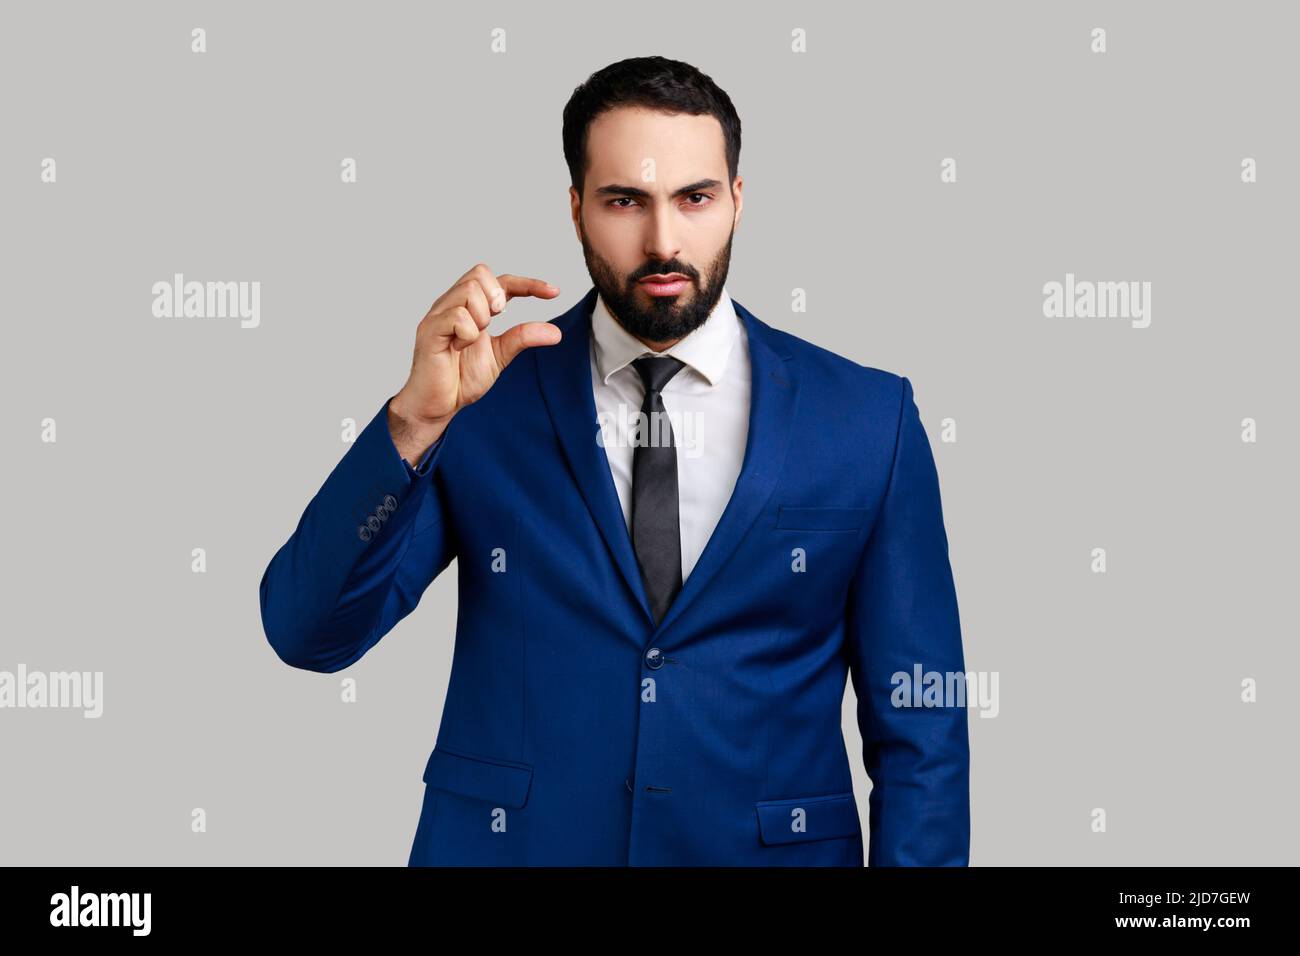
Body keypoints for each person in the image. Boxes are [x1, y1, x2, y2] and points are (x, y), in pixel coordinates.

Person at [259, 55, 970, 866]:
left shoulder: (867, 419)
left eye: (694, 198)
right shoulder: (480, 402)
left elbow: (924, 733)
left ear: (737, 201)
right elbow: (306, 632)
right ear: (575, 209)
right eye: (625, 200)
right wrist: (413, 425)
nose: (663, 241)